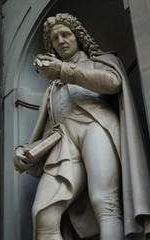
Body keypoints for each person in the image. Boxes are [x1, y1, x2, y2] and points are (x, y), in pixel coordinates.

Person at [14, 13, 150, 239]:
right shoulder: (52, 89)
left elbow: (114, 83)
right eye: (55, 39)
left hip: (96, 128)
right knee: (43, 213)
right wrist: (26, 150)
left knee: (105, 202)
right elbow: (48, 133)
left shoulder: (100, 62)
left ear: (78, 36)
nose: (61, 41)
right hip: (63, 143)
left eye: (65, 34)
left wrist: (64, 72)